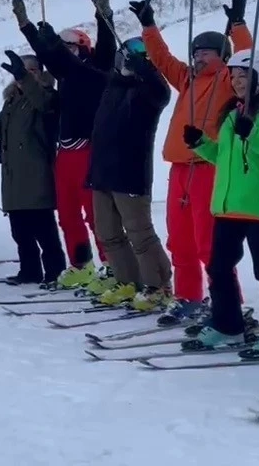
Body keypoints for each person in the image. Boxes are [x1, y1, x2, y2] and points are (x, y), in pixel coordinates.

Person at [132, 0, 251, 325]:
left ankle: (228, 300)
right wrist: (149, 26)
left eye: (206, 52)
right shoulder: (186, 79)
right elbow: (162, 58)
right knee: (179, 239)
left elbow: (247, 58)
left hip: (208, 168)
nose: (199, 57)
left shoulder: (229, 79)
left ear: (221, 56)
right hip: (180, 170)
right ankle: (188, 298)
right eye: (196, 52)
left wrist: (237, 26)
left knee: (208, 242)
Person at [183, 49, 259, 356]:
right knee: (219, 266)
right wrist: (201, 145)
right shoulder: (234, 112)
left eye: (243, 76)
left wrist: (253, 135)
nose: (237, 82)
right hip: (229, 204)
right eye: (233, 76)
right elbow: (223, 158)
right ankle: (228, 327)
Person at [13, 0, 112, 288]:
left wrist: (102, 15)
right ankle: (80, 264)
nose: (65, 52)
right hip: (65, 153)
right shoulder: (66, 74)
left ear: (82, 48)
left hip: (89, 150)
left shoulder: (96, 70)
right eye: (63, 47)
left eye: (71, 47)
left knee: (95, 214)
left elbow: (107, 48)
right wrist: (26, 25)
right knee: (68, 215)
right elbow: (47, 55)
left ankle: (112, 266)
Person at [85, 35, 174, 312]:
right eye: (127, 57)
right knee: (107, 231)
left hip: (130, 171)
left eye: (136, 58)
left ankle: (158, 286)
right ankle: (127, 282)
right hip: (102, 171)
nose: (128, 63)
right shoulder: (112, 85)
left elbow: (162, 93)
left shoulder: (148, 91)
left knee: (140, 233)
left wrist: (146, 70)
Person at [0, 50, 65, 287]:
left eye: (31, 71)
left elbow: (43, 103)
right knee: (20, 230)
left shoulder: (45, 97)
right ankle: (30, 270)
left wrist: (25, 79)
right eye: (21, 71)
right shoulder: (12, 101)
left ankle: (55, 270)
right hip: (13, 176)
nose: (24, 76)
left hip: (36, 173)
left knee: (43, 227)